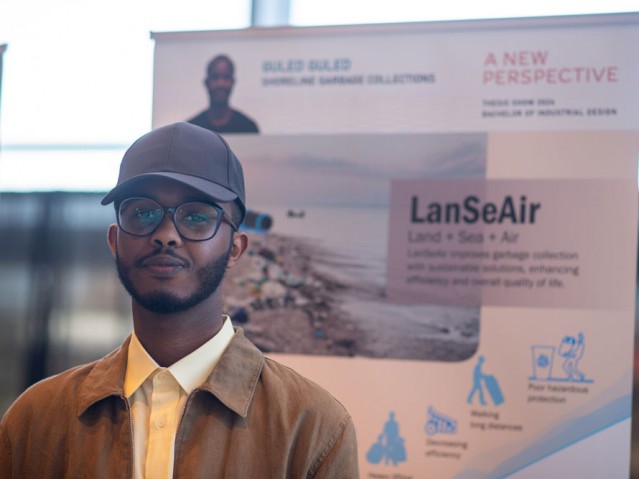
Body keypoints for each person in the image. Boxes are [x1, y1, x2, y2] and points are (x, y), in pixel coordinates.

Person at [0, 122, 359, 478]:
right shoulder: (35, 420)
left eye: (197, 217)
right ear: (114, 241)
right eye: (142, 212)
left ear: (235, 248)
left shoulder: (312, 428)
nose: (166, 235)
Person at [187, 54, 260, 134]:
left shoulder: (248, 128)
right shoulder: (191, 129)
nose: (220, 84)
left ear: (232, 82)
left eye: (226, 77)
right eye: (215, 77)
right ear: (207, 82)